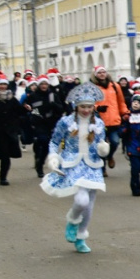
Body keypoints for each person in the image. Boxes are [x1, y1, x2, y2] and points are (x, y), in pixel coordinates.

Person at [40, 82, 110, 253]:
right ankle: (72, 220)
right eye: (82, 107)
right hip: (72, 163)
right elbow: (55, 141)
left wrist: (103, 148)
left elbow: (101, 143)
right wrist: (54, 158)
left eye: (89, 107)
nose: (86, 110)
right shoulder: (65, 122)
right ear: (76, 106)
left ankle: (81, 236)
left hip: (92, 165)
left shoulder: (99, 124)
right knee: (81, 200)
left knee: (90, 204)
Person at [91, 65, 130, 174]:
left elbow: (121, 102)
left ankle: (110, 156)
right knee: (101, 146)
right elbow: (87, 104)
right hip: (99, 121)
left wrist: (125, 112)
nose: (102, 74)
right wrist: (97, 108)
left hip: (114, 120)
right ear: (95, 75)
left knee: (115, 142)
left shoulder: (115, 86)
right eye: (99, 73)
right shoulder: (92, 87)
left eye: (103, 72)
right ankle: (102, 168)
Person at [24, 75, 64, 178]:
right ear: (38, 85)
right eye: (42, 84)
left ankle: (40, 164)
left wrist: (54, 105)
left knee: (47, 145)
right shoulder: (33, 96)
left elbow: (61, 108)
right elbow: (28, 108)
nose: (44, 86)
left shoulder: (53, 95)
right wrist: (34, 115)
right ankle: (38, 157)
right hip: (38, 123)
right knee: (42, 140)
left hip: (51, 123)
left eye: (45, 84)